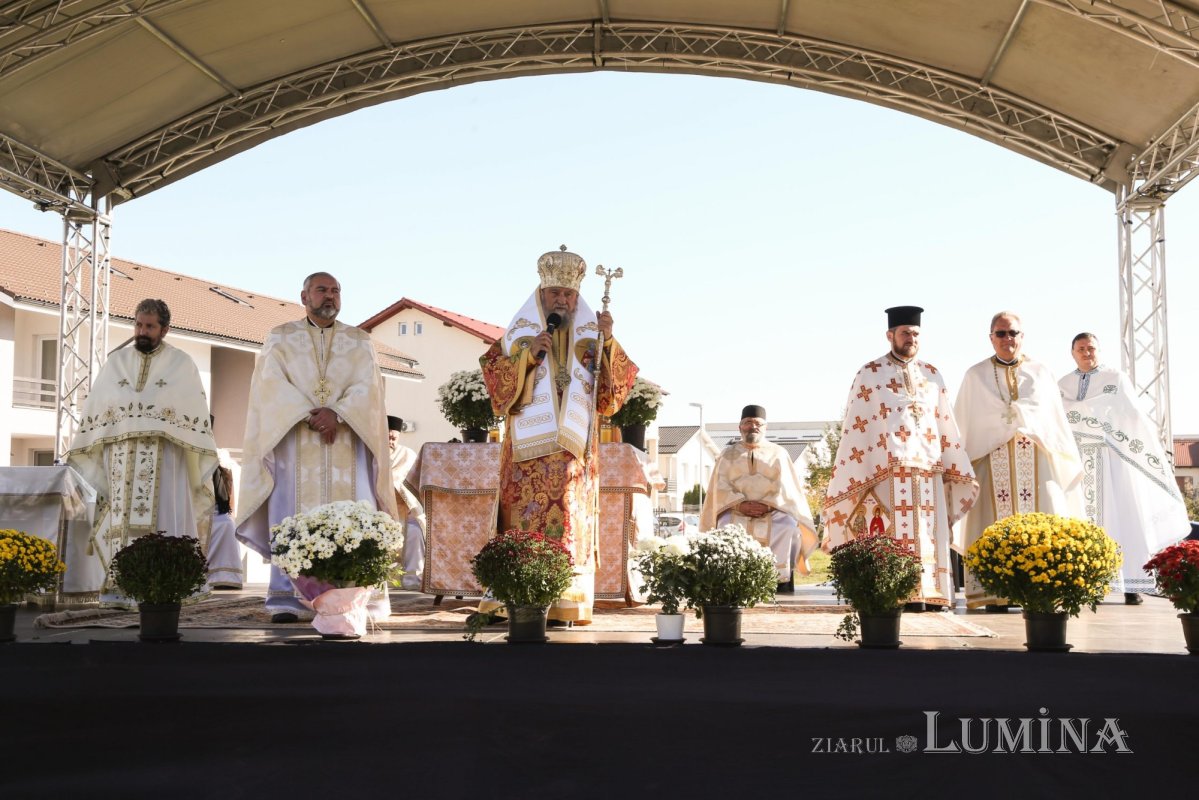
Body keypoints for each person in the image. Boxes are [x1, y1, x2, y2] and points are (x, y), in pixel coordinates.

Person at [479, 246, 638, 624]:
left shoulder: (592, 334)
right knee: (523, 522)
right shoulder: (521, 333)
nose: (562, 301)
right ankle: (512, 596)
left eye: (568, 295)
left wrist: (608, 342)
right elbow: (494, 378)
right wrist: (527, 357)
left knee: (569, 522)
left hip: (574, 456)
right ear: (541, 295)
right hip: (526, 458)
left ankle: (565, 601)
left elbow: (612, 395)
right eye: (555, 294)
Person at [235, 272, 398, 623]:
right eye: (322, 290)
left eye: (336, 291)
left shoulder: (360, 341)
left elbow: (369, 388)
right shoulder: (280, 338)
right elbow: (270, 384)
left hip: (347, 442)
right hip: (295, 442)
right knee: (290, 513)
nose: (330, 296)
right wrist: (309, 415)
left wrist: (337, 413)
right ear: (304, 297)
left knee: (356, 510)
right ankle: (289, 600)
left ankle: (358, 597)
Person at [64, 298, 218, 607]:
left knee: (163, 520)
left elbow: (192, 413)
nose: (142, 331)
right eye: (138, 324)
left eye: (149, 326)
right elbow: (99, 407)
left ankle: (169, 586)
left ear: (164, 329)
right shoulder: (115, 362)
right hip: (120, 458)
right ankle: (123, 587)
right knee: (121, 522)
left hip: (166, 459)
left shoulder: (182, 363)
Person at [823, 306, 978, 610]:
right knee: (892, 532)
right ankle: (895, 593)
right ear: (890, 335)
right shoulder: (870, 373)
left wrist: (952, 464)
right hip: (886, 471)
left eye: (916, 333)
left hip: (928, 470)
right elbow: (857, 425)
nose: (911, 338)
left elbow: (945, 422)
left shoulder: (933, 375)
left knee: (928, 533)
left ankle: (931, 594)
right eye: (905, 333)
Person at [954, 311, 1083, 610]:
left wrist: (1023, 420)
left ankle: (1040, 589)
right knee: (989, 524)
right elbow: (967, 423)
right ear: (991, 338)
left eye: (1012, 333)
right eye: (1001, 334)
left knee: (1044, 518)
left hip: (1035, 458)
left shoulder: (1040, 372)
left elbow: (1052, 419)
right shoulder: (975, 376)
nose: (1007, 339)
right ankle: (995, 594)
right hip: (990, 458)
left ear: (1022, 336)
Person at [1059, 332, 1191, 604]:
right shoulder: (1062, 384)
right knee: (1082, 522)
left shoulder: (1115, 379)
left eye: (1091, 348)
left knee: (1122, 518)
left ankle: (1131, 585)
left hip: (1112, 460)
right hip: (1078, 463)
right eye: (1081, 349)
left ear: (1099, 350)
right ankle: (1089, 583)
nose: (1087, 353)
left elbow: (1132, 417)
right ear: (1072, 353)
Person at [700, 405, 818, 594]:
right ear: (740, 428)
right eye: (748, 423)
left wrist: (767, 504)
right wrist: (740, 504)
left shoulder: (779, 453)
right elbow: (720, 486)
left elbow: (785, 486)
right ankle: (731, 579)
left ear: (765, 428)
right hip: (736, 510)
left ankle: (778, 581)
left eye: (757, 423)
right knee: (722, 525)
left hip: (772, 510)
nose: (752, 427)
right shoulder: (726, 454)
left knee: (787, 526)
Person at [388, 416, 427, 591]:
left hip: (404, 509)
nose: (390, 441)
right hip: (378, 509)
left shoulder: (407, 455)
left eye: (393, 438)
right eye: (387, 437)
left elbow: (414, 485)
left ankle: (412, 579)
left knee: (414, 532)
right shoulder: (371, 453)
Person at [206, 431, 245, 590]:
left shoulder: (220, 457)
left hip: (214, 510)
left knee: (227, 524)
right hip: (192, 508)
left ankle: (224, 576)